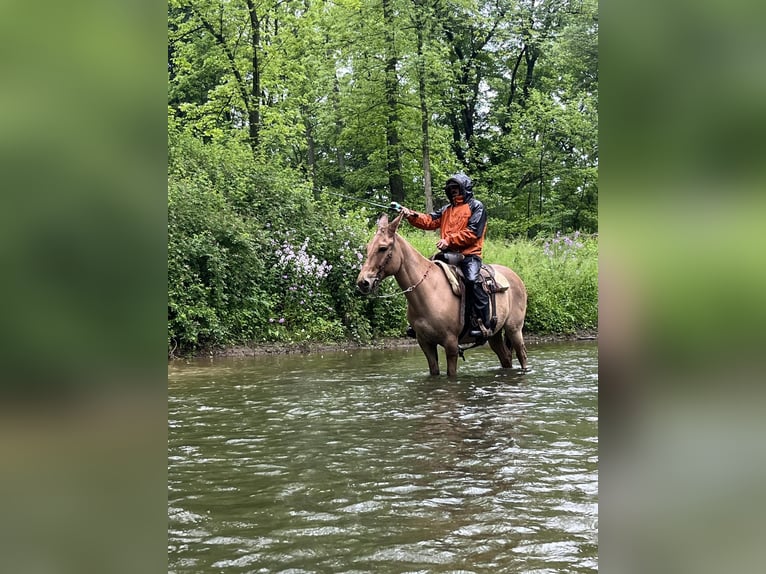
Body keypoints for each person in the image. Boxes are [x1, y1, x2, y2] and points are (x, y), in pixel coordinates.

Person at [399, 173, 492, 340]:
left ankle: (483, 323)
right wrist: (409, 214)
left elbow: (473, 232)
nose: (454, 192)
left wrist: (449, 240)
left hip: (469, 255)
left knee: (472, 280)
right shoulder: (446, 210)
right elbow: (428, 221)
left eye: (456, 188)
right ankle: (419, 322)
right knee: (424, 275)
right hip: (448, 255)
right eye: (451, 189)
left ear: (465, 188)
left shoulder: (477, 207)